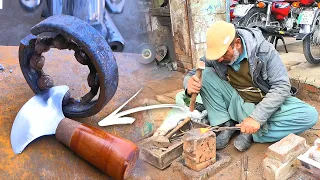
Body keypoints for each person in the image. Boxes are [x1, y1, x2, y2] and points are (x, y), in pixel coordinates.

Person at [184, 20, 318, 152]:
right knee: (206, 75)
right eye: (217, 56)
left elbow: (281, 86)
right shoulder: (217, 55)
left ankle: (251, 131)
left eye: (224, 54)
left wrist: (256, 118)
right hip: (237, 100)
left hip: (263, 101)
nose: (219, 60)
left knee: (309, 115)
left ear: (236, 43)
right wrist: (188, 82)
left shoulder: (264, 51)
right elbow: (195, 72)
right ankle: (225, 125)